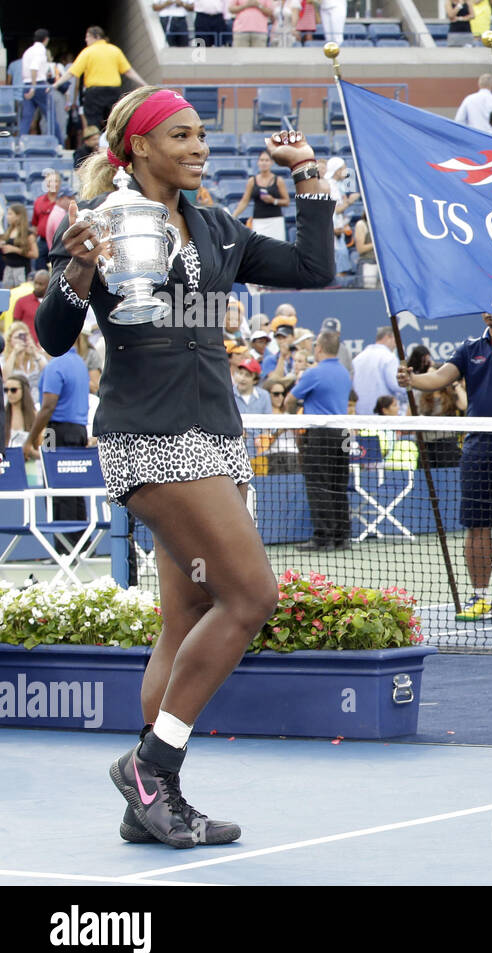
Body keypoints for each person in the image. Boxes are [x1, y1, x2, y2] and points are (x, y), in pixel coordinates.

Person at [36, 88, 333, 848]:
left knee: (188, 616)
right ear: (138, 148)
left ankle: (149, 804)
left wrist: (308, 179)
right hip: (153, 435)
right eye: (182, 136)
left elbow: (310, 266)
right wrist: (75, 269)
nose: (200, 146)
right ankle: (152, 765)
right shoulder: (100, 223)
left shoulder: (216, 227)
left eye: (203, 135)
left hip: (216, 437)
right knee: (252, 595)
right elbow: (53, 333)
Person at [398, 312, 492, 623]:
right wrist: (411, 379)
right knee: (476, 526)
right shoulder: (470, 348)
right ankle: (480, 597)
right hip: (475, 450)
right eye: (483, 307)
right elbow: (440, 377)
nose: (488, 313)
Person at [283, 329, 351, 550]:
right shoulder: (344, 372)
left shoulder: (314, 373)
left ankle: (323, 538)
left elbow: (289, 400)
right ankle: (341, 537)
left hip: (321, 434)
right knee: (338, 484)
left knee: (318, 485)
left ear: (318, 348)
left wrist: (294, 418)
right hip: (342, 434)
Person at [24, 343, 91, 531]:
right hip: (79, 431)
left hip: (57, 432)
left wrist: (29, 440)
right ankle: (82, 547)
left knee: (57, 490)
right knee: (76, 491)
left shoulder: (56, 365)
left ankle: (64, 548)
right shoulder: (79, 363)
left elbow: (47, 407)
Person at [51, 27, 148, 134]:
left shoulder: (87, 52)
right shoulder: (115, 50)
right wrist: (143, 83)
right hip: (113, 91)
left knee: (93, 122)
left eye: (88, 37)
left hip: (94, 92)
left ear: (96, 37)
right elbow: (128, 71)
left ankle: (95, 147)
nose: (86, 40)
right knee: (114, 121)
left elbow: (72, 72)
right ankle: (114, 147)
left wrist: (56, 84)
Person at [232, 150, 290, 241]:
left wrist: (273, 200)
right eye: (262, 160)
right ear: (258, 162)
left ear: (271, 163)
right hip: (258, 220)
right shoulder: (252, 181)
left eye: (266, 160)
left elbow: (286, 201)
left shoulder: (278, 180)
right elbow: (245, 201)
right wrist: (233, 215)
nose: (264, 163)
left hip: (275, 221)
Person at [352, 326, 402, 415]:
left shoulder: (358, 359)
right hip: (381, 417)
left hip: (359, 416)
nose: (396, 344)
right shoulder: (389, 358)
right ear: (388, 337)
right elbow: (397, 385)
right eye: (396, 339)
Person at [20, 29, 52, 138]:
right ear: (46, 39)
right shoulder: (40, 50)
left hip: (27, 84)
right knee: (50, 115)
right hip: (37, 85)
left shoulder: (28, 51)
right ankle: (59, 142)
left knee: (27, 116)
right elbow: (34, 68)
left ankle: (21, 140)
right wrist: (33, 88)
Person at [32, 171, 64, 272]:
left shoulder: (64, 200)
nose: (53, 184)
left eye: (56, 181)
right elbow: (35, 223)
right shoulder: (39, 201)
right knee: (40, 268)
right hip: (42, 241)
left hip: (59, 241)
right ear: (46, 184)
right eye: (50, 181)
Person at [2, 205, 38, 288]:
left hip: (21, 270)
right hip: (8, 269)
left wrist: (15, 250)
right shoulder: (9, 231)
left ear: (18, 216)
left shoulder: (28, 234)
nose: (7, 217)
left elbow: (35, 254)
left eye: (10, 214)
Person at [11, 270, 48, 339]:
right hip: (26, 345)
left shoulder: (52, 304)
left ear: (48, 284)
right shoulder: (22, 301)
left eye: (41, 284)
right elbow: (15, 327)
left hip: (47, 346)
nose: (37, 286)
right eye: (35, 283)